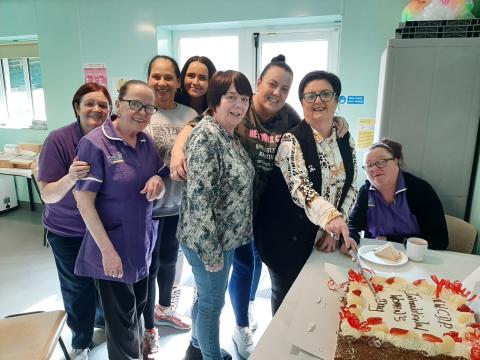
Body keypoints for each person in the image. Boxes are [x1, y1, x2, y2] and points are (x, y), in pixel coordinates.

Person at [170, 56, 349, 358]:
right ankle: (229, 334)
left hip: (254, 218)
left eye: (285, 88)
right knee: (220, 291)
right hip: (218, 228)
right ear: (258, 85)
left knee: (242, 274)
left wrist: (337, 121)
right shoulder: (225, 120)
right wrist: (177, 151)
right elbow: (195, 132)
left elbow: (312, 126)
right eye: (272, 84)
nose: (277, 92)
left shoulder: (283, 117)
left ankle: (218, 336)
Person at [74, 80, 168, 360]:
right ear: (118, 105)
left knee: (137, 309)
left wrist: (156, 179)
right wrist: (107, 251)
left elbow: (159, 173)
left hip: (141, 243)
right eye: (135, 104)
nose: (142, 112)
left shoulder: (144, 140)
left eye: (149, 107)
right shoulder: (94, 144)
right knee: (122, 326)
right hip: (112, 248)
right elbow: (84, 202)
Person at [254, 70, 358, 315]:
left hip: (322, 238)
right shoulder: (292, 140)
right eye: (310, 96)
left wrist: (334, 230)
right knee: (288, 301)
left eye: (325, 94)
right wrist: (332, 219)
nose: (318, 101)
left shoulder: (345, 138)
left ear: (337, 99)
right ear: (302, 103)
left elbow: (350, 185)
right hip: (284, 238)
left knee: (317, 300)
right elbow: (301, 189)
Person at [177, 70, 254, 360]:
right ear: (215, 100)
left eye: (244, 98)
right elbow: (199, 200)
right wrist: (211, 254)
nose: (238, 105)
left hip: (226, 238)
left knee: (205, 297)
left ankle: (198, 346)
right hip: (208, 242)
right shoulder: (207, 136)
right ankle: (210, 356)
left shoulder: (229, 135)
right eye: (231, 97)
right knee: (211, 304)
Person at [37, 82, 111, 359]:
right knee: (77, 287)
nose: (96, 109)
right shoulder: (59, 140)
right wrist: (71, 177)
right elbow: (47, 194)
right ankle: (81, 339)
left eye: (103, 105)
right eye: (90, 103)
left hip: (104, 228)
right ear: (76, 108)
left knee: (105, 283)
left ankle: (102, 320)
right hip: (68, 230)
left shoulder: (112, 137)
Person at [142, 55, 197, 355]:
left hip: (178, 205)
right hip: (145, 208)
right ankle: (149, 327)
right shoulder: (141, 113)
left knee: (169, 260)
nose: (162, 82)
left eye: (168, 77)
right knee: (148, 266)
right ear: (149, 78)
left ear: (177, 82)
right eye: (156, 76)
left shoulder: (190, 114)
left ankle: (164, 309)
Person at [348, 138, 449, 249]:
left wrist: (390, 240)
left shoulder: (420, 190)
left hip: (414, 257)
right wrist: (351, 238)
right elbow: (352, 224)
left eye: (381, 162)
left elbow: (440, 239)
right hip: (375, 256)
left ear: (397, 161)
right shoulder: (366, 192)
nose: (374, 168)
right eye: (368, 165)